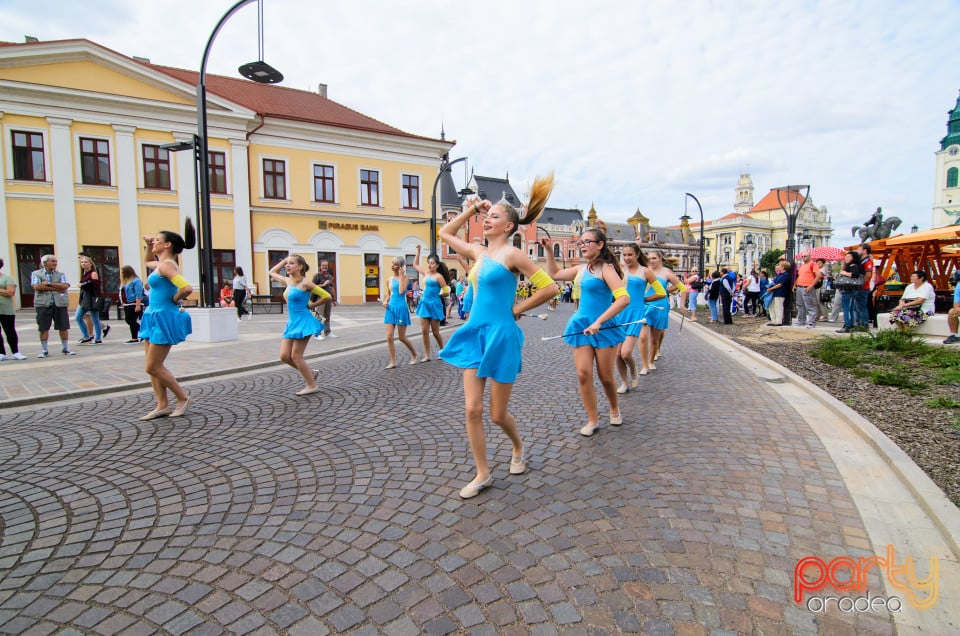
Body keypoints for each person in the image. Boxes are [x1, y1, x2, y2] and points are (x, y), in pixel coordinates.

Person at [439, 175, 558, 499]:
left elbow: (550, 286)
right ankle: (482, 473)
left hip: (502, 334)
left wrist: (517, 307)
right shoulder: (478, 252)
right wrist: (473, 208)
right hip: (475, 333)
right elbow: (445, 232)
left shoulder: (513, 255)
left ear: (508, 226)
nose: (486, 220)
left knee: (496, 413)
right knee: (472, 409)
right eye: (486, 217)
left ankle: (517, 446)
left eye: (493, 217)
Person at [545, 227, 630, 437]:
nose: (582, 246)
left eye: (587, 242)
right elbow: (554, 274)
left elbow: (623, 299)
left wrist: (600, 321)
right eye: (580, 243)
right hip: (581, 325)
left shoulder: (606, 269)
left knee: (606, 377)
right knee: (583, 374)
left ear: (600, 245)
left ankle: (614, 408)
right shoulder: (581, 269)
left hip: (603, 327)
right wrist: (548, 250)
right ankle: (592, 419)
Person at [138, 221, 196, 420]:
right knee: (151, 365)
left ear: (167, 245)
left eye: (157, 240)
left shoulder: (167, 266)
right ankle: (162, 404)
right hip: (153, 315)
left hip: (163, 315)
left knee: (152, 366)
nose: (154, 242)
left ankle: (182, 397)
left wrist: (175, 298)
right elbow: (147, 263)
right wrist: (147, 245)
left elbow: (187, 288)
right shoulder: (160, 264)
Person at [270, 255, 332, 395]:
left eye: (291, 263)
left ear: (300, 267)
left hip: (303, 321)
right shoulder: (287, 281)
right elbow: (272, 272)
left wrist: (312, 304)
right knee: (284, 356)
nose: (287, 266)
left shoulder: (306, 283)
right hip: (292, 322)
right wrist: (284, 260)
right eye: (287, 264)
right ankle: (310, 373)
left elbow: (327, 296)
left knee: (296, 356)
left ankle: (311, 385)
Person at [616, 243, 666, 387]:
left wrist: (643, 299)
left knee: (625, 353)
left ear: (637, 255)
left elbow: (661, 292)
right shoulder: (619, 270)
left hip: (636, 314)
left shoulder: (645, 272)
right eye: (624, 255)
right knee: (617, 354)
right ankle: (624, 383)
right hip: (619, 313)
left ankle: (633, 370)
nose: (626, 258)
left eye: (630, 254)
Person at [30, 254, 75, 357]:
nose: (55, 263)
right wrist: (57, 287)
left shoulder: (60, 274)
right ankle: (44, 350)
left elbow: (64, 287)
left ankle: (65, 348)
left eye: (55, 261)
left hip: (59, 303)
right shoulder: (36, 273)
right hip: (43, 304)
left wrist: (48, 283)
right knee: (43, 327)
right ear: (45, 263)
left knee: (63, 326)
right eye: (53, 261)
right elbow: (37, 286)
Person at [645, 250, 684, 365]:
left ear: (660, 258)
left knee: (659, 331)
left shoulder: (667, 272)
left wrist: (666, 291)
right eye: (649, 259)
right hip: (646, 303)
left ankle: (657, 348)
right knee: (643, 334)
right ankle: (647, 359)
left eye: (654, 258)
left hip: (661, 303)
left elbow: (679, 285)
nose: (651, 261)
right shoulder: (645, 270)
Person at [413, 245, 449, 362]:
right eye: (429, 263)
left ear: (437, 265)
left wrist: (438, 296)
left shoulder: (439, 277)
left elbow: (446, 291)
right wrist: (418, 252)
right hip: (424, 303)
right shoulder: (426, 273)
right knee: (424, 331)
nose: (429, 265)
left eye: (432, 263)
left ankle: (442, 350)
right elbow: (415, 265)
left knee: (435, 331)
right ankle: (427, 354)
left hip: (435, 304)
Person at [382, 256, 419, 368]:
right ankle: (393, 361)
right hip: (391, 308)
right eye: (392, 264)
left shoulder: (406, 277)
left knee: (402, 337)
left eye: (395, 264)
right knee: (389, 336)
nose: (392, 266)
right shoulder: (388, 279)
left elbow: (401, 290)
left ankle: (414, 353)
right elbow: (389, 294)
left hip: (401, 307)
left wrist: (402, 276)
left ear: (400, 266)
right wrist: (385, 301)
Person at [75, 254, 109, 344]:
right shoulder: (83, 273)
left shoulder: (93, 273)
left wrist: (82, 285)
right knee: (78, 317)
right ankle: (86, 336)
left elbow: (93, 285)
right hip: (83, 299)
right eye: (82, 262)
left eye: (86, 262)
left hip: (92, 299)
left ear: (90, 264)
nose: (83, 264)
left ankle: (98, 338)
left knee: (95, 319)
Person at [0, 258, 26, 360]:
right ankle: (1, 353)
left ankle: (15, 352)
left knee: (9, 330)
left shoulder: (7, 278)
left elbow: (10, 293)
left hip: (6, 308)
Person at [834, 251, 865, 334]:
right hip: (852, 289)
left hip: (848, 289)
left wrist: (844, 273)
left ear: (853, 258)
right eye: (846, 256)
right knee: (850, 308)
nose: (846, 258)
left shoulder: (853, 266)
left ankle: (847, 325)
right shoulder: (854, 265)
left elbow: (855, 274)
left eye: (849, 256)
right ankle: (850, 324)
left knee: (846, 308)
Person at [793, 253, 821, 328]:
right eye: (802, 256)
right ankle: (801, 320)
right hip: (800, 286)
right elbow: (799, 276)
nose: (803, 258)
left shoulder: (813, 264)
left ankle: (812, 322)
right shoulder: (802, 265)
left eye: (805, 256)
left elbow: (818, 275)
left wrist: (811, 285)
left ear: (809, 257)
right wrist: (795, 284)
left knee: (810, 305)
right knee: (800, 304)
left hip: (807, 287)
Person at [119, 265, 146, 343]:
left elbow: (138, 293)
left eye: (123, 272)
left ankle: (144, 332)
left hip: (133, 303)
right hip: (127, 303)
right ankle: (134, 337)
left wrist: (138, 305)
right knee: (130, 320)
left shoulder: (136, 281)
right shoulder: (125, 281)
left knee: (130, 320)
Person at [312, 260, 336, 340]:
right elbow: (312, 287)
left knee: (327, 317)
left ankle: (328, 332)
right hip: (320, 299)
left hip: (328, 299)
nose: (325, 267)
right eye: (323, 265)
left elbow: (332, 288)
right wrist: (323, 285)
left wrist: (334, 299)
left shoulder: (329, 276)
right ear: (320, 266)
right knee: (319, 316)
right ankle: (317, 334)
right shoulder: (317, 276)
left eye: (326, 266)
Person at [857, 243, 876, 330]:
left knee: (862, 306)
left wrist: (861, 283)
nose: (858, 251)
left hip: (863, 287)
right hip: (860, 286)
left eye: (859, 249)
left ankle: (864, 325)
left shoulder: (868, 261)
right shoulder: (862, 260)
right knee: (859, 306)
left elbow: (868, 274)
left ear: (864, 250)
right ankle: (860, 324)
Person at [765, 262, 791, 326]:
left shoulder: (786, 275)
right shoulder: (779, 275)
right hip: (774, 293)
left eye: (779, 265)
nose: (778, 266)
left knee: (778, 307)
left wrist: (771, 289)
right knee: (772, 306)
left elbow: (779, 284)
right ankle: (773, 320)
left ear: (783, 267)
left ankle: (778, 320)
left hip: (780, 293)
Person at [944, 272, 960, 345]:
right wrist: (957, 308)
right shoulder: (959, 286)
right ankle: (954, 335)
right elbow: (956, 301)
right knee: (952, 312)